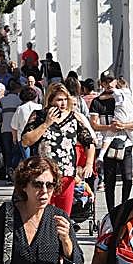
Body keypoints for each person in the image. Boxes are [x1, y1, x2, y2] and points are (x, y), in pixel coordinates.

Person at [20, 83, 95, 214]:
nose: (63, 103)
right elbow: (26, 141)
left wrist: (88, 164)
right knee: (42, 215)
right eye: (59, 100)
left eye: (65, 99)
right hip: (44, 176)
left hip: (67, 176)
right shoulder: (38, 116)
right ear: (50, 100)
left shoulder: (74, 117)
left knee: (63, 216)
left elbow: (89, 142)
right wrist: (46, 124)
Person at [89, 70, 133, 213]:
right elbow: (94, 124)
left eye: (110, 81)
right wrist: (110, 127)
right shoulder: (97, 102)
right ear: (101, 83)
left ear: (115, 81)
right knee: (109, 180)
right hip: (107, 144)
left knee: (127, 177)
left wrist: (124, 126)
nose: (108, 84)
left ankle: (125, 207)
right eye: (105, 81)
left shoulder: (124, 97)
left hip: (126, 143)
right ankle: (112, 211)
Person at [0, 80, 23, 176]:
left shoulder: (3, 100)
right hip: (16, 130)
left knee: (7, 153)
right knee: (16, 152)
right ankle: (15, 172)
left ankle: (8, 172)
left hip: (5, 129)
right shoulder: (19, 101)